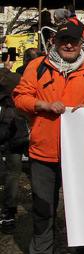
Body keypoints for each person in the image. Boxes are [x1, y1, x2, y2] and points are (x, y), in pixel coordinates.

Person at [13, 18, 84, 254]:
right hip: (43, 153)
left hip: (79, 156)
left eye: (74, 41)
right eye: (63, 40)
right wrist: (42, 105)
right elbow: (20, 98)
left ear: (81, 44)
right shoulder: (37, 67)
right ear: (55, 41)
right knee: (43, 209)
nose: (68, 45)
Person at [0, 52, 29, 233]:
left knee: (11, 171)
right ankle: (8, 211)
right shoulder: (15, 79)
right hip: (14, 129)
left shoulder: (9, 76)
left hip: (11, 128)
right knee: (13, 171)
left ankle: (8, 210)